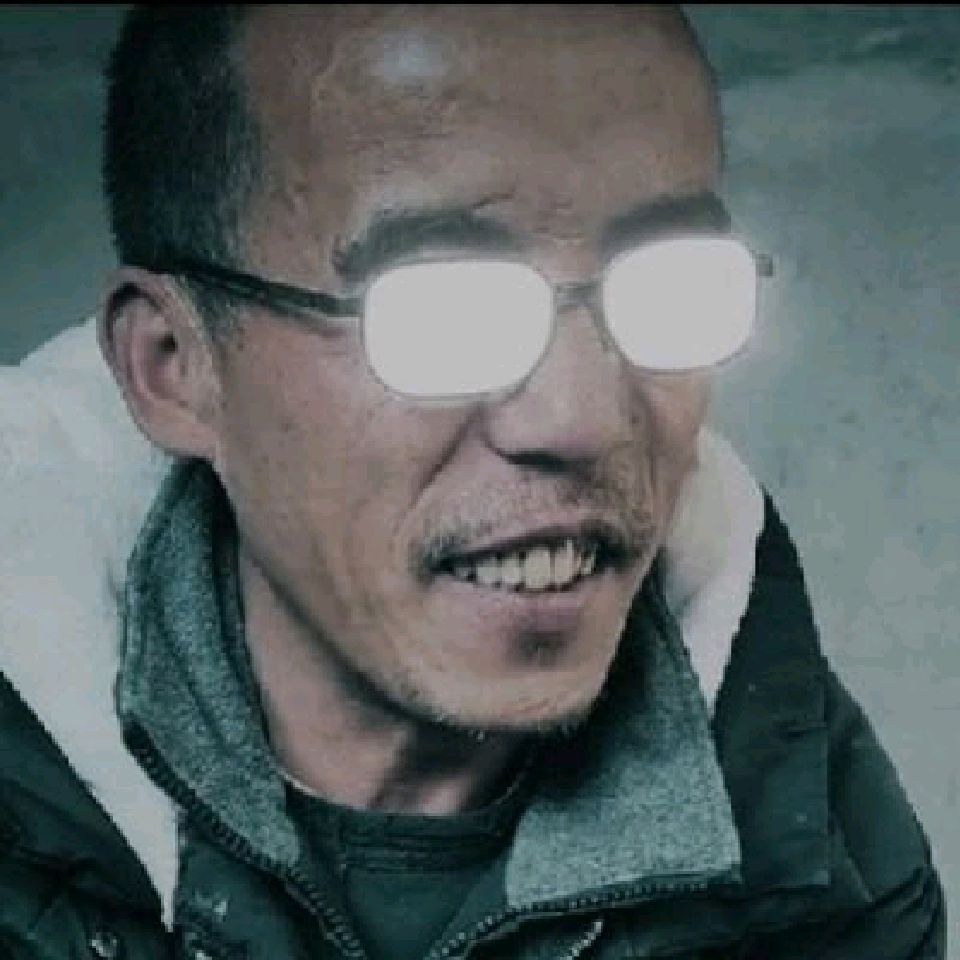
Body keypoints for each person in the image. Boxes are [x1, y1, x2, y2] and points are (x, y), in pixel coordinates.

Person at [0, 5, 945, 959]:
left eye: (668, 284)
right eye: (442, 309)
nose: (581, 419)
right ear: (172, 365)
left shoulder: (825, 872)